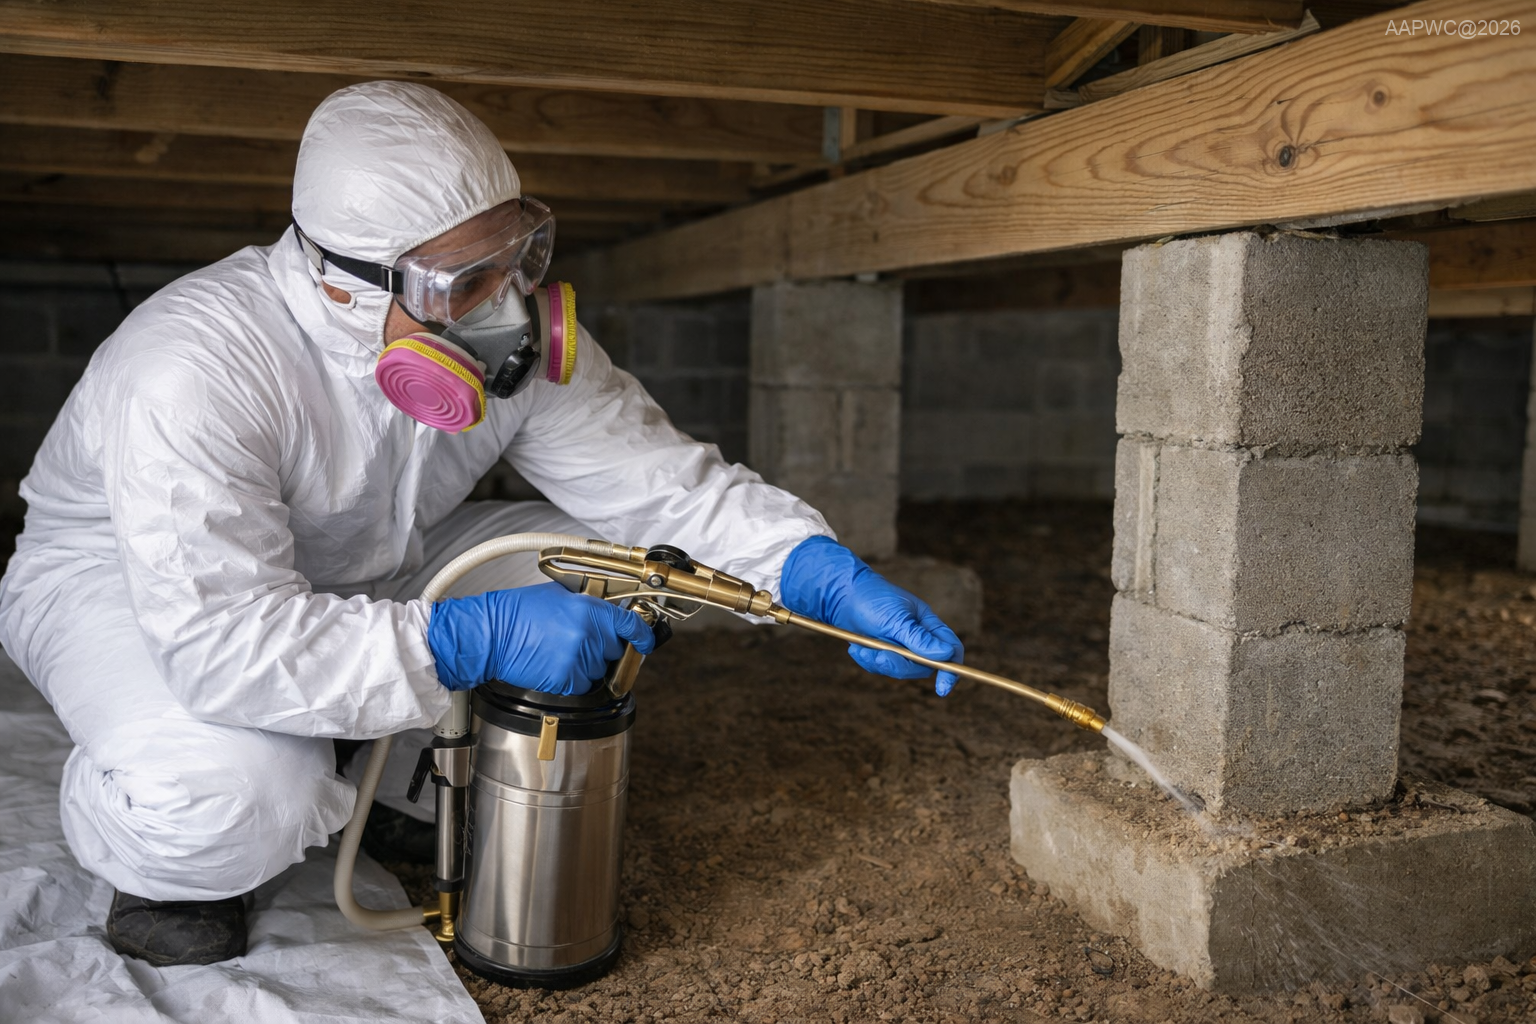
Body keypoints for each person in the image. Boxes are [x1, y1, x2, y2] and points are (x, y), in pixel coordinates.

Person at [0, 82, 963, 968]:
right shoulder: (197, 366)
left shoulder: (504, 334)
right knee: (236, 799)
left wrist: (812, 571)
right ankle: (167, 863)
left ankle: (390, 782)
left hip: (369, 565)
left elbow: (663, 489)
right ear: (345, 281)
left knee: (624, 566)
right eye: (460, 281)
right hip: (133, 588)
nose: (503, 304)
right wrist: (471, 636)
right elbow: (219, 641)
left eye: (516, 255)